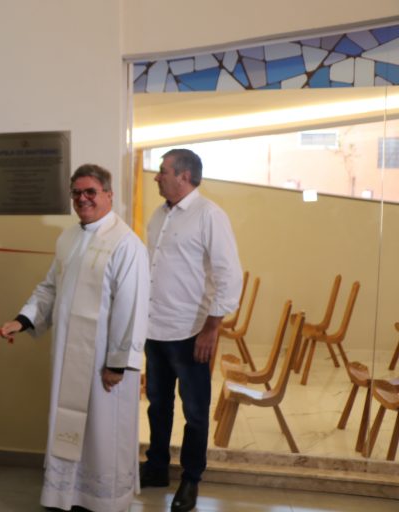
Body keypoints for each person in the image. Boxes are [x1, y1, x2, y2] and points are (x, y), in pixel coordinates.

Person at [0, 164, 149, 512]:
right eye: (76, 193)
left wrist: (117, 364)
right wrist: (23, 320)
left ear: (109, 195)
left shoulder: (127, 245)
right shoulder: (68, 238)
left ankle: (103, 500)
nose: (82, 199)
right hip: (69, 358)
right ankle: (67, 494)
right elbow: (51, 288)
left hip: (104, 363)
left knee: (102, 431)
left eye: (90, 192)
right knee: (69, 425)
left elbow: (132, 308)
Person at [140, 149, 243, 512]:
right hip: (155, 329)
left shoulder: (209, 215)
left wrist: (211, 328)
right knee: (157, 405)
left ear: (183, 176)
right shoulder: (158, 215)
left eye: (162, 171)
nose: (157, 177)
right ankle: (156, 468)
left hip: (191, 332)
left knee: (196, 411)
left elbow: (229, 275)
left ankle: (191, 479)